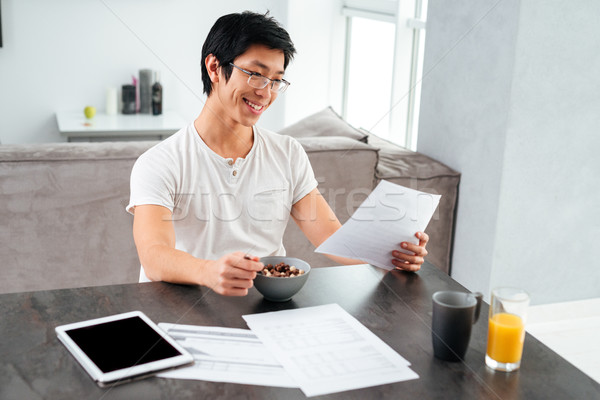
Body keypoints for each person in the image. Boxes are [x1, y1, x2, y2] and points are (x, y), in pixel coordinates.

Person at [127, 11, 429, 296]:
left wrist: (390, 256)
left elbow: (331, 237)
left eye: (276, 81)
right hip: (182, 305)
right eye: (256, 74)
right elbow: (154, 256)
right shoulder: (160, 163)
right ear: (215, 68)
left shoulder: (287, 153)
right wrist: (208, 271)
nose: (265, 92)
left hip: (263, 304)